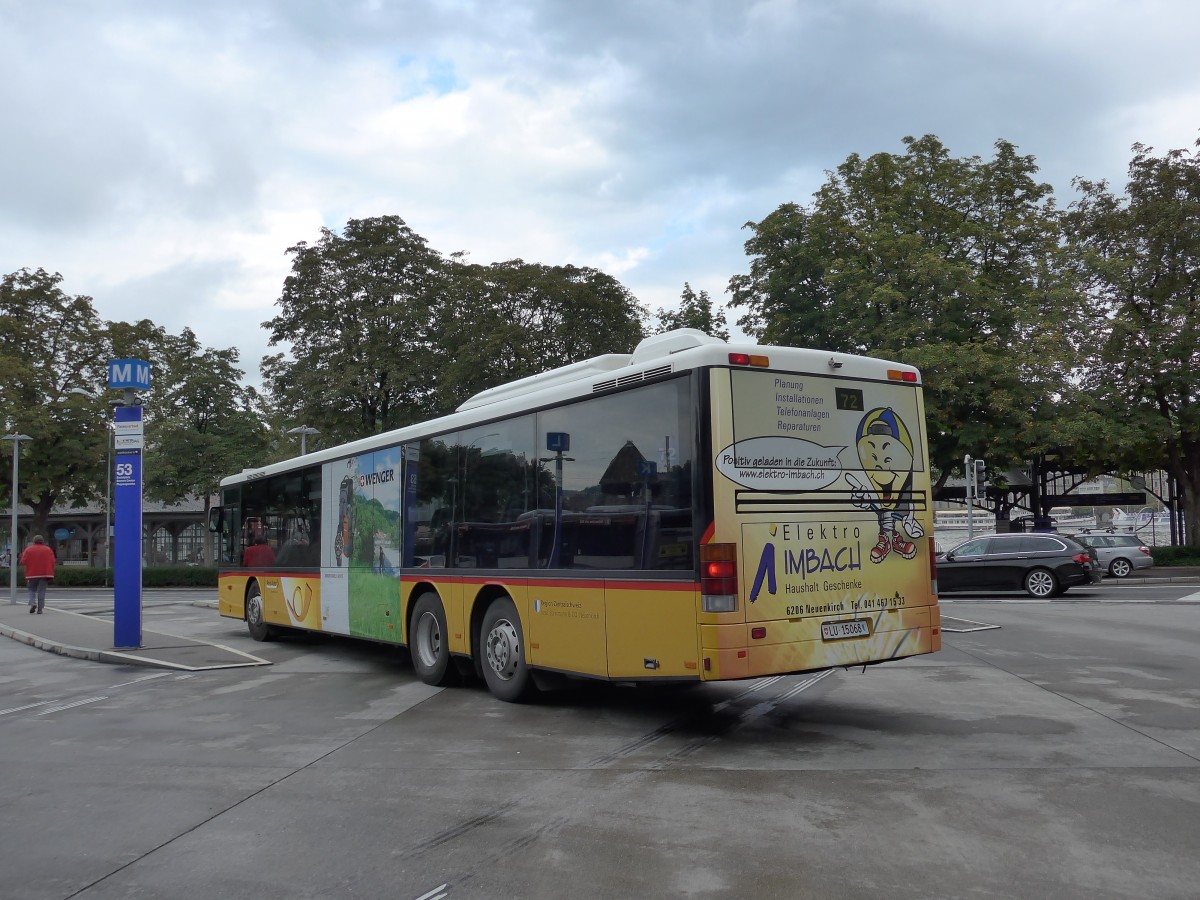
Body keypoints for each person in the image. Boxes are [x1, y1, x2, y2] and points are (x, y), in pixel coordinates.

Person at [20, 534, 56, 614]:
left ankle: (32, 603)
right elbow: (53, 561)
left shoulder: (28, 549)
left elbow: (23, 561)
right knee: (41, 591)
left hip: (32, 573)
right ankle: (40, 609)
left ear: (34, 541)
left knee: (31, 589)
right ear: (42, 541)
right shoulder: (48, 549)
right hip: (45, 573)